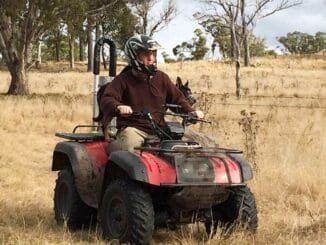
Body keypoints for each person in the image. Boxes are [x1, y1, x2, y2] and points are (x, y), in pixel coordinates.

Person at [100, 34, 204, 152]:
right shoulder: (123, 79)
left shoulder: (162, 78)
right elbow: (107, 99)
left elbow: (178, 99)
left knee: (190, 148)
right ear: (134, 56)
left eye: (153, 54)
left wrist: (192, 112)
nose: (151, 59)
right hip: (134, 129)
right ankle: (112, 163)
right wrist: (118, 106)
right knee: (127, 146)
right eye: (145, 54)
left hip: (160, 129)